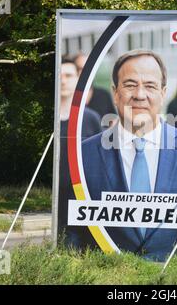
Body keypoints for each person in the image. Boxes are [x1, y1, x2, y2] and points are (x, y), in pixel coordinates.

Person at [68, 50, 177, 261]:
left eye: (150, 86)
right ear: (115, 92)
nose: (140, 94)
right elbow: (71, 232)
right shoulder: (83, 156)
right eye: (130, 85)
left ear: (163, 93)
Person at [58, 57, 102, 239]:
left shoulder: (91, 118)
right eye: (59, 76)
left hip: (80, 199)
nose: (63, 80)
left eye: (68, 75)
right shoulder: (48, 120)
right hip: (52, 200)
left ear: (78, 79)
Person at [75, 53, 117, 124]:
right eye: (80, 69)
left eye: (89, 68)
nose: (86, 72)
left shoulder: (103, 95)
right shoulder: (68, 97)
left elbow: (113, 120)